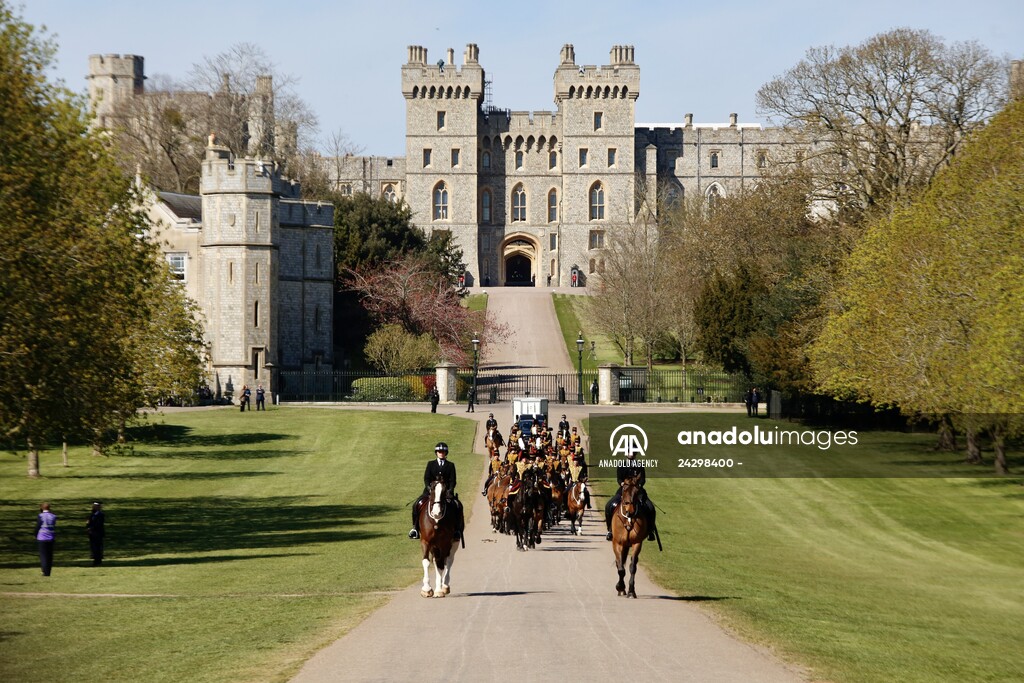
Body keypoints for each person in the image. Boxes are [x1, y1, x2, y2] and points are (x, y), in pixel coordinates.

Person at [409, 443, 465, 541]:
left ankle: (456, 530)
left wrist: (450, 490)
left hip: (445, 493)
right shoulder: (431, 464)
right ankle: (415, 529)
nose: (441, 453)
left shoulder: (450, 465)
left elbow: (453, 480)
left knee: (457, 506)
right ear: (436, 453)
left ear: (446, 453)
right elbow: (426, 478)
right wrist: (429, 488)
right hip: (431, 492)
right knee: (416, 504)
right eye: (439, 452)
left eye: (443, 452)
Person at [604, 456, 657, 542]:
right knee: (609, 505)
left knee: (650, 507)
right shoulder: (621, 465)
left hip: (637, 491)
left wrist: (638, 486)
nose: (631, 453)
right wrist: (622, 483)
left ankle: (650, 531)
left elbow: (643, 479)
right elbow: (619, 478)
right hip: (624, 490)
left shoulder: (639, 465)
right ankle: (610, 530)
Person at [35, 502, 57, 576]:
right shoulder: (53, 516)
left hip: (42, 538)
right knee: (49, 555)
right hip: (51, 537)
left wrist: (35, 534)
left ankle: (44, 571)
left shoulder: (40, 516)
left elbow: (38, 526)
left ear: (41, 508)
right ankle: (48, 571)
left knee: (43, 555)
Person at [86, 501, 105, 566]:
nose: (93, 507)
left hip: (97, 533)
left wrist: (91, 528)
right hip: (92, 533)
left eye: (95, 506)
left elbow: (98, 524)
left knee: (97, 547)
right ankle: (95, 559)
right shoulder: (92, 514)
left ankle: (98, 560)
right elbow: (89, 522)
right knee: (93, 547)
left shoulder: (100, 515)